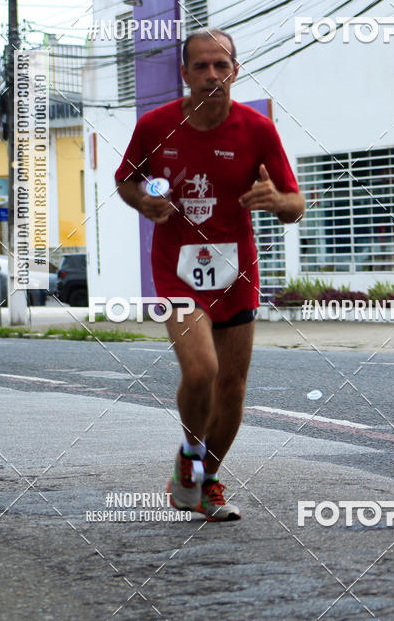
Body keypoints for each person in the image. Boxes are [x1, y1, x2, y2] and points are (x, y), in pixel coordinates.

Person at [115, 28, 305, 521]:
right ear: (185, 74)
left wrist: (275, 201)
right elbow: (126, 179)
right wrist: (144, 200)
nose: (212, 75)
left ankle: (203, 479)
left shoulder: (257, 129)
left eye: (221, 66)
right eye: (201, 66)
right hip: (177, 267)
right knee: (201, 371)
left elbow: (295, 203)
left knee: (232, 386)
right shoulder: (156, 126)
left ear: (236, 71)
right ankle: (191, 456)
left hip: (234, 269)